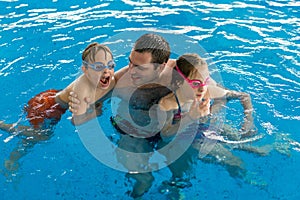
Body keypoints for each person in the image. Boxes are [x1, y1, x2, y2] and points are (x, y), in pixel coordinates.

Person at [0, 42, 116, 175]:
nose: (106, 71)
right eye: (99, 67)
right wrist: (95, 113)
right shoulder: (81, 89)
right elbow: (75, 120)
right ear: (85, 69)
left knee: (32, 137)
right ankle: (3, 125)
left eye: (111, 65)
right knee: (42, 136)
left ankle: (13, 160)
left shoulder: (104, 79)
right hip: (46, 108)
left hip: (53, 97)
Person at [159, 53, 271, 180]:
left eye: (205, 81)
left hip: (205, 125)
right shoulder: (168, 104)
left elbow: (244, 96)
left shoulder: (207, 91)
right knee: (234, 161)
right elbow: (165, 136)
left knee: (251, 147)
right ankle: (252, 181)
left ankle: (281, 145)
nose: (202, 89)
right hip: (190, 137)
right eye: (195, 83)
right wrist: (191, 117)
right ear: (179, 81)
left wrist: (248, 121)